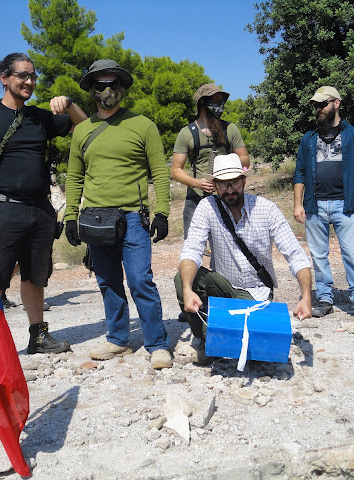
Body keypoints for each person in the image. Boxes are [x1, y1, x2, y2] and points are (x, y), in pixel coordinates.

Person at [0, 52, 88, 375]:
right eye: (22, 76)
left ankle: (37, 336)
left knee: (34, 276)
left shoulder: (40, 117)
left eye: (32, 76)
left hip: (41, 210)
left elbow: (85, 128)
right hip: (2, 208)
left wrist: (68, 104)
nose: (29, 82)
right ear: (4, 77)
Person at [64, 59, 173, 369]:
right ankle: (118, 340)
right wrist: (71, 216)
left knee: (140, 281)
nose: (108, 90)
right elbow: (74, 176)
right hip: (96, 219)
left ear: (123, 88)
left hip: (134, 219)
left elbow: (159, 172)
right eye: (100, 84)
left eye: (114, 84)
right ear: (92, 91)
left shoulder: (143, 125)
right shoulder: (82, 131)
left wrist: (162, 213)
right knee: (108, 282)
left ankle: (157, 343)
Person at [175, 153, 313, 364]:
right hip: (222, 288)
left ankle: (228, 339)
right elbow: (192, 249)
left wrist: (305, 296)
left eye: (234, 182)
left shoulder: (267, 209)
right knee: (183, 278)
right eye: (223, 184)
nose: (229, 189)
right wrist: (187, 290)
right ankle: (208, 340)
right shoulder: (207, 207)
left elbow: (295, 254)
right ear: (215, 185)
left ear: (243, 181)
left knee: (259, 356)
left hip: (255, 294)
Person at [293, 86, 354, 322]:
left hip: (344, 206)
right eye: (316, 105)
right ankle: (324, 298)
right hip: (315, 206)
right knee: (319, 255)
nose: (318, 109)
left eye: (323, 104)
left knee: (352, 253)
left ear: (337, 103)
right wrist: (297, 203)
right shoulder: (309, 138)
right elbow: (299, 171)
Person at [171, 83, 250, 238]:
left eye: (221, 100)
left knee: (232, 241)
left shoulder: (230, 129)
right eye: (215, 99)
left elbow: (245, 159)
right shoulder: (187, 133)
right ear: (202, 102)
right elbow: (175, 170)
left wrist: (229, 169)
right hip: (197, 196)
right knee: (193, 243)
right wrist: (197, 183)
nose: (219, 104)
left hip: (228, 193)